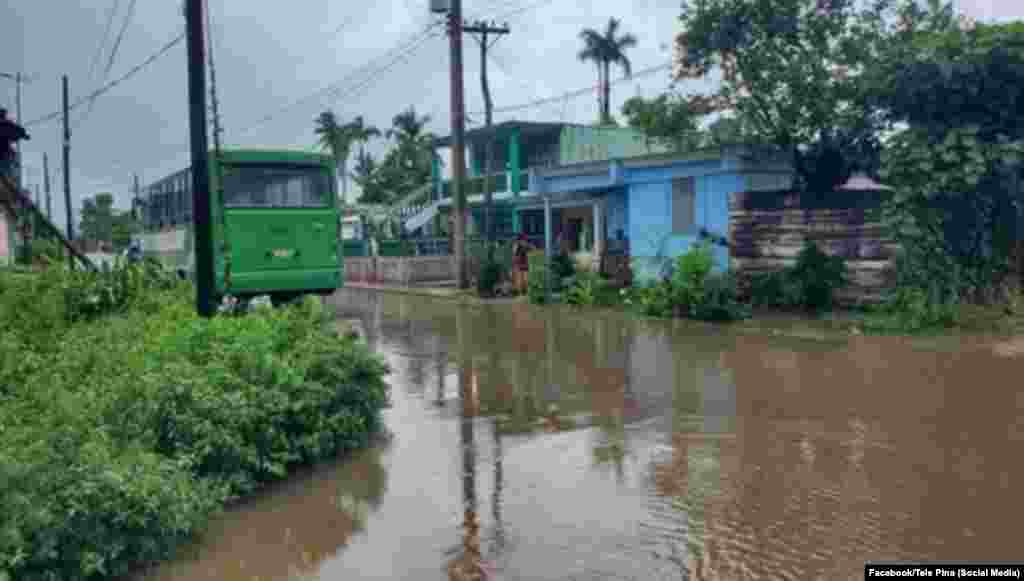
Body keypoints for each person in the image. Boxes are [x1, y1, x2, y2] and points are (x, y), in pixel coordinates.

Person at [0, 108, 30, 182]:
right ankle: (9, 180)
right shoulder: (7, 124)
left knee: (10, 161)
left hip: (4, 153)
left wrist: (23, 135)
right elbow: (18, 130)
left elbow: (18, 130)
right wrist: (24, 135)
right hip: (4, 154)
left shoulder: (7, 125)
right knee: (7, 170)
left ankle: (9, 180)